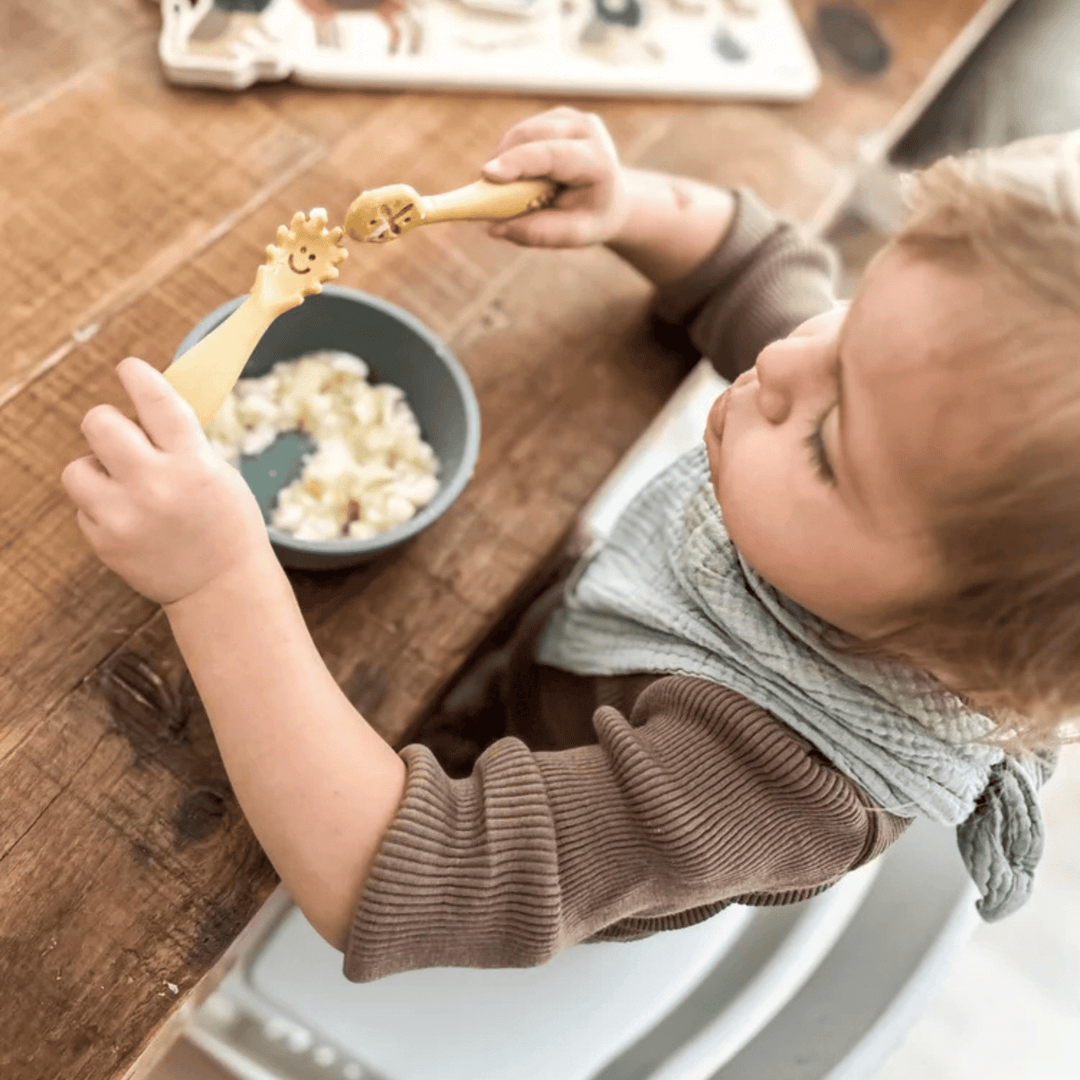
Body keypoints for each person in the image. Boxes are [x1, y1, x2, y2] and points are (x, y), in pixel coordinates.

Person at [61, 108, 1078, 982]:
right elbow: (755, 266)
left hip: (476, 812)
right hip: (545, 655)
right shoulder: (899, 424)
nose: (779, 364)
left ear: (950, 653)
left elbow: (387, 874)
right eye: (853, 319)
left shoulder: (768, 784)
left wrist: (215, 576)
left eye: (825, 440)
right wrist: (627, 205)